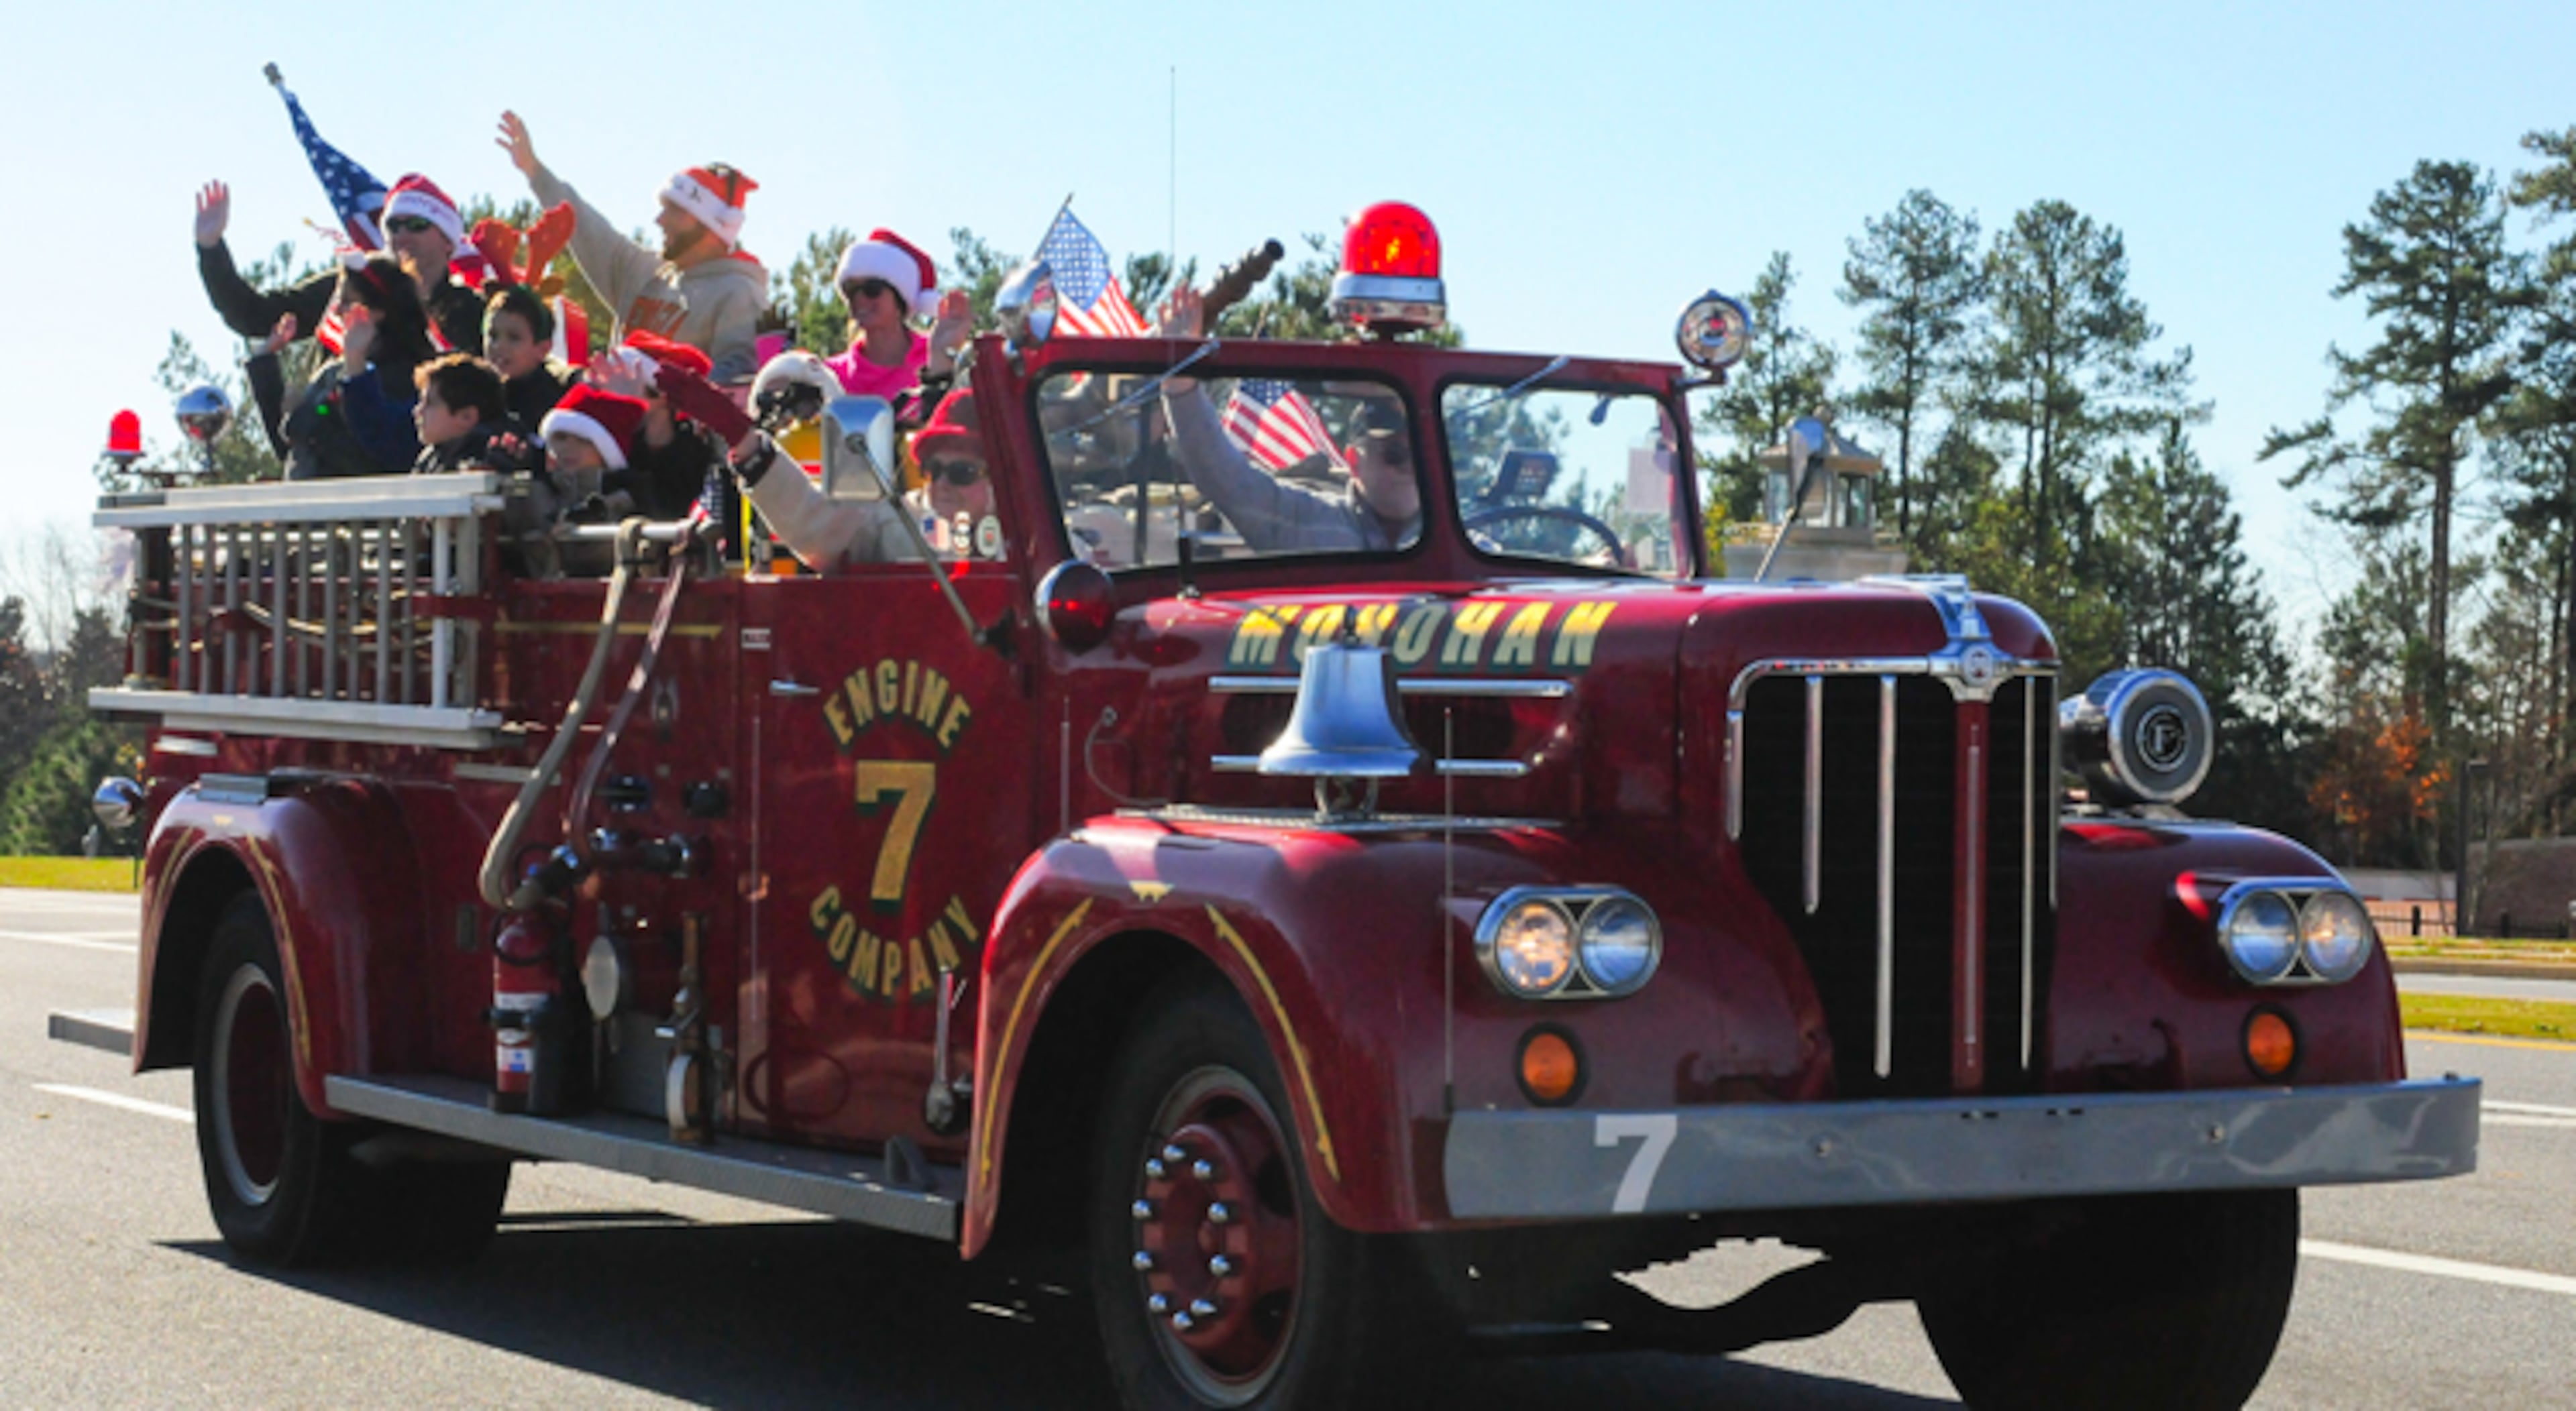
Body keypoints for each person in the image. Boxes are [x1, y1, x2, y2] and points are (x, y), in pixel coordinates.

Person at [495, 112, 767, 382]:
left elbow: (736, 382)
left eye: (676, 211)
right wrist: (534, 170)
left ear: (712, 226)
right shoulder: (644, 271)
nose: (660, 221)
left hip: (667, 425)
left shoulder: (739, 293)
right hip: (611, 421)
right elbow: (580, 224)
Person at [1153, 284, 1420, 553]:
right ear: (1353, 462)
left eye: (1420, 456)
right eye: (1395, 454)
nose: (1410, 467)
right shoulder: (1305, 521)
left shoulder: (1459, 533)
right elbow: (1228, 482)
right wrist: (1181, 387)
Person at [193, 175, 486, 355]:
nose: (403, 235)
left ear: (449, 241)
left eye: (417, 224)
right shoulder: (353, 288)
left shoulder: (473, 311)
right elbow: (252, 315)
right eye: (393, 226)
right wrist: (211, 250)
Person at [728, 388, 996, 571]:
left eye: (963, 473)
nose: (942, 484)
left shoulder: (1033, 541)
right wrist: (745, 442)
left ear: (999, 482)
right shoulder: (898, 522)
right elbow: (816, 523)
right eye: (933, 469)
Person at [285, 253, 439, 478]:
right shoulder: (332, 372)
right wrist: (264, 365)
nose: (337, 311)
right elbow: (294, 444)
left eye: (347, 302)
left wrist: (313, 424)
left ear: (378, 312)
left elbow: (378, 456)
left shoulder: (408, 377)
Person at [826, 231, 974, 406]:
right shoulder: (830, 375)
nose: (859, 299)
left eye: (872, 289)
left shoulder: (937, 352)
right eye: (851, 290)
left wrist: (942, 363)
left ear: (900, 301)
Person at [411, 353, 535, 474]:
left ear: (467, 417)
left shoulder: (499, 457)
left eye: (430, 403)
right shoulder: (431, 458)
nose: (418, 411)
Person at [482, 284, 576, 427]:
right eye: (493, 336)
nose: (499, 346)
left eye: (514, 338)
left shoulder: (553, 403)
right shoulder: (478, 393)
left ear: (543, 349)